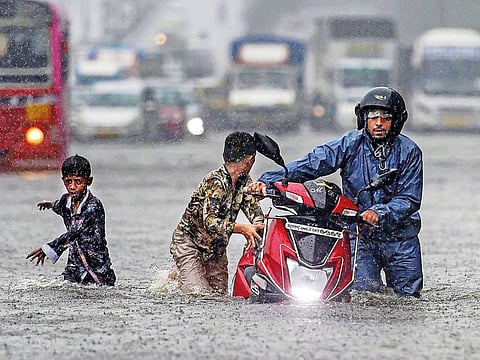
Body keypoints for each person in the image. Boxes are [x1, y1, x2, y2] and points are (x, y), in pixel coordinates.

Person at [249, 87, 423, 297]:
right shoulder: (349, 144)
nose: (378, 122)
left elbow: (409, 199)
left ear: (396, 121)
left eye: (386, 117)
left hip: (401, 239)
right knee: (363, 296)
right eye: (373, 116)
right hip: (360, 236)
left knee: (409, 300)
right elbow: (312, 163)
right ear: (363, 118)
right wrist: (267, 182)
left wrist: (379, 212)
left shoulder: (410, 151)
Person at [170, 131, 264, 294]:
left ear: (224, 155)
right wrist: (242, 228)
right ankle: (180, 274)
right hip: (190, 243)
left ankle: (186, 274)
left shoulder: (244, 183)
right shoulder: (215, 182)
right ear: (250, 161)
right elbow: (210, 222)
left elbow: (255, 213)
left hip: (216, 249)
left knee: (219, 297)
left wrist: (260, 227)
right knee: (198, 294)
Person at [26, 155, 116, 286]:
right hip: (75, 264)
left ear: (88, 181)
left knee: (100, 291)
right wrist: (50, 204)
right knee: (66, 290)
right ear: (63, 181)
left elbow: (74, 232)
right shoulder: (66, 200)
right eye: (69, 182)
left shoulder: (93, 206)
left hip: (97, 265)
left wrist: (48, 249)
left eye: (78, 181)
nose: (73, 186)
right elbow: (59, 206)